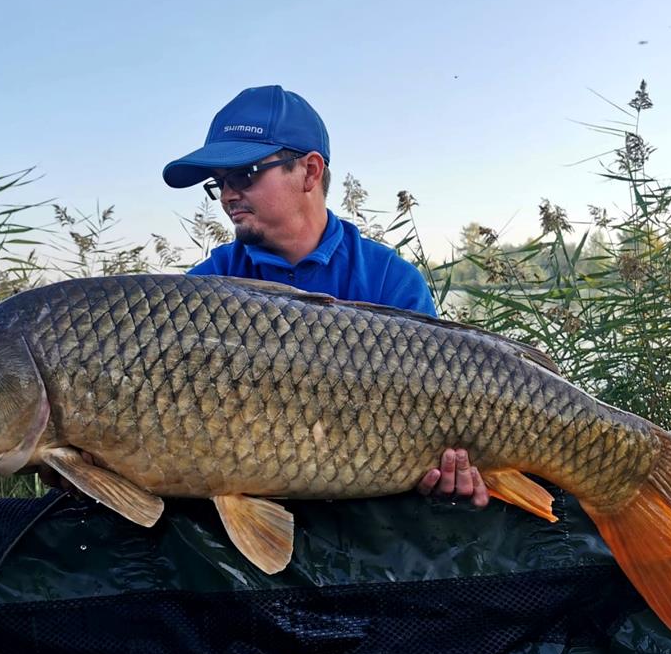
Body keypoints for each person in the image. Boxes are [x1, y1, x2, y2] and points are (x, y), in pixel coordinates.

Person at [163, 85, 487, 503]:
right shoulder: (205, 287)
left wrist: (455, 477)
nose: (226, 195)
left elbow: (445, 410)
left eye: (244, 174)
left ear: (311, 172)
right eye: (218, 183)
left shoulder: (390, 281)